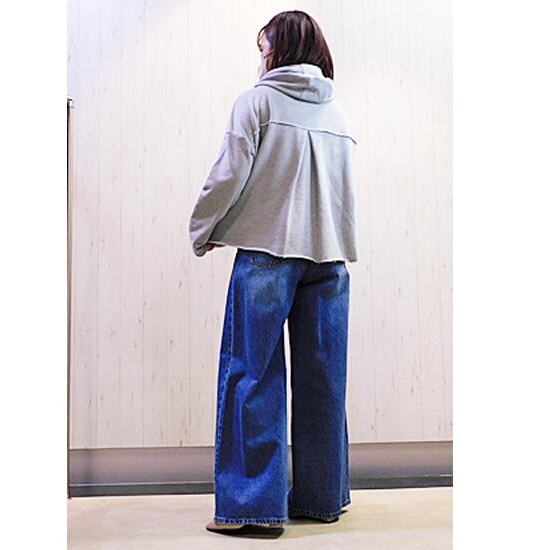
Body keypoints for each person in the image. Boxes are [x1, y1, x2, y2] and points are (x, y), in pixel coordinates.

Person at [189, 10, 358, 537]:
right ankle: (321, 498)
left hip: (267, 254)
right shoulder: (339, 113)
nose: (261, 58)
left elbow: (228, 173)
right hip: (329, 259)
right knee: (323, 380)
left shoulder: (257, 102)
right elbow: (343, 194)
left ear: (280, 49)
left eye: (264, 48)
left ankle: (250, 508)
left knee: (251, 374)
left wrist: (203, 228)